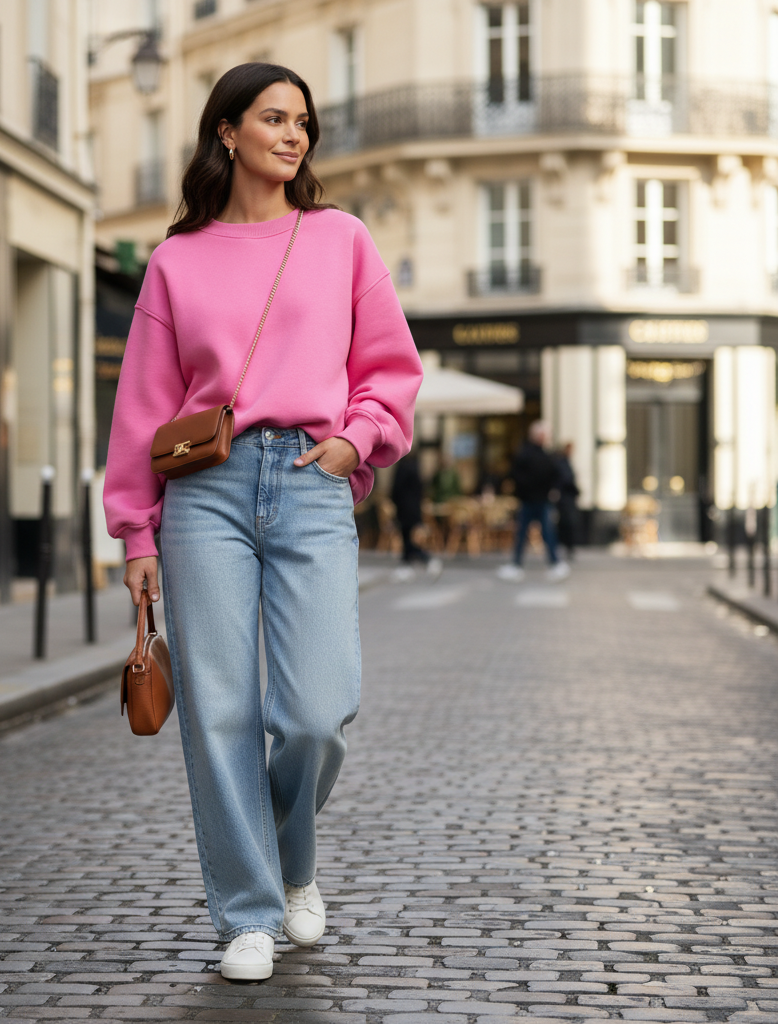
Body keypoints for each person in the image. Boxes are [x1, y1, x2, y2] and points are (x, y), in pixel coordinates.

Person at [103, 63, 423, 982]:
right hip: (204, 492)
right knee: (220, 712)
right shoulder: (176, 260)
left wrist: (353, 444)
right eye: (275, 118)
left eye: (304, 122)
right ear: (227, 132)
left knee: (320, 710)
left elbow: (390, 370)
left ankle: (294, 865)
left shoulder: (341, 240)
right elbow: (143, 409)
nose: (296, 135)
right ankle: (247, 912)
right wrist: (134, 535)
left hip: (313, 477)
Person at [497, 420, 570, 582]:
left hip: (540, 501)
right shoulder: (528, 454)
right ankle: (518, 564)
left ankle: (552, 563)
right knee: (525, 533)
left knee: (545, 534)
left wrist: (552, 490)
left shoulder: (545, 454)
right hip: (531, 500)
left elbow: (557, 476)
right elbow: (516, 474)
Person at [391, 453, 440, 576]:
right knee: (409, 537)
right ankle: (407, 562)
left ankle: (423, 559)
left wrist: (394, 503)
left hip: (404, 509)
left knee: (407, 537)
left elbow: (396, 489)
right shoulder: (416, 470)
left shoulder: (401, 469)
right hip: (414, 509)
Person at [555, 442, 581, 559]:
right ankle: (566, 545)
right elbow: (567, 480)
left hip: (567, 498)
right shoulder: (562, 463)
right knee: (567, 523)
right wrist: (576, 491)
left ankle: (567, 546)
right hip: (566, 499)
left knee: (568, 523)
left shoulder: (566, 462)